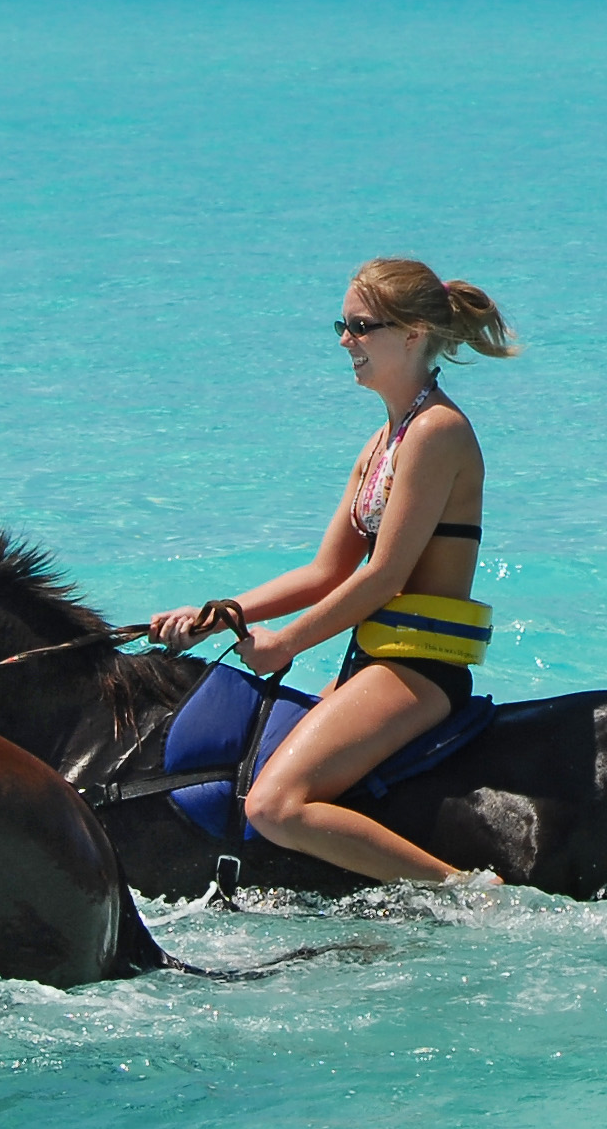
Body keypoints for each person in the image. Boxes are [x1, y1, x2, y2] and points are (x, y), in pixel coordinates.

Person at [146, 258, 516, 884]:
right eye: (341, 325)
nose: (345, 339)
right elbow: (325, 571)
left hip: (418, 670)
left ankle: (473, 897)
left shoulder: (438, 432)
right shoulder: (383, 441)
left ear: (412, 334)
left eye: (361, 326)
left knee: (274, 804)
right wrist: (218, 617)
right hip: (370, 662)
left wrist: (285, 642)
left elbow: (384, 578)